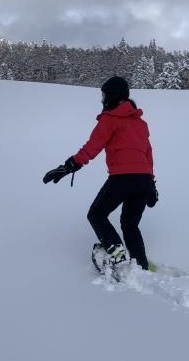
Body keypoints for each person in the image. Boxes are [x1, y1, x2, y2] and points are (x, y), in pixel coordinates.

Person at [43, 76, 158, 271]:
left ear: (112, 96)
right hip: (143, 180)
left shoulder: (110, 119)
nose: (102, 100)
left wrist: (69, 165)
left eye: (103, 95)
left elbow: (93, 146)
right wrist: (151, 185)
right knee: (130, 224)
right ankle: (140, 263)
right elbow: (148, 154)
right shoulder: (141, 123)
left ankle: (117, 254)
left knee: (96, 214)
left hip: (122, 178)